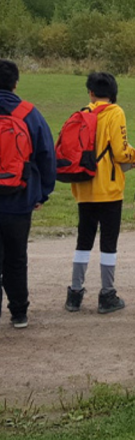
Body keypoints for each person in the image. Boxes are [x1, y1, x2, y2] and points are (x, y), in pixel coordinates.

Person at [65, 72, 135, 314]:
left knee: (83, 241)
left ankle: (74, 294)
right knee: (108, 242)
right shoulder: (115, 112)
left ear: (90, 92)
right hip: (108, 190)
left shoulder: (82, 113)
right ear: (113, 93)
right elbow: (120, 152)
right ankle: (107, 294)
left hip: (84, 186)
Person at [0, 59, 56, 328]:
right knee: (16, 257)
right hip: (19, 198)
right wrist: (42, 193)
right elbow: (46, 155)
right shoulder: (29, 113)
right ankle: (19, 312)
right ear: (16, 83)